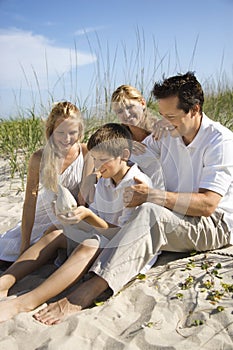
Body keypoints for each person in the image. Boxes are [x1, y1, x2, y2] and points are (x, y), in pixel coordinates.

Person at [33, 71, 233, 325]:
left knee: (150, 211)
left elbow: (208, 204)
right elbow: (124, 155)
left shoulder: (220, 140)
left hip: (214, 224)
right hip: (176, 217)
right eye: (161, 115)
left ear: (194, 109)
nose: (165, 122)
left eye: (171, 116)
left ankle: (90, 289)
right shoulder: (168, 132)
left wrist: (153, 195)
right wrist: (94, 172)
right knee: (132, 212)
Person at [0, 123, 154, 323]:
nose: (97, 166)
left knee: (90, 244)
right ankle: (5, 281)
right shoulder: (105, 180)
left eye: (103, 160)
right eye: (95, 159)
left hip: (119, 247)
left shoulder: (137, 184)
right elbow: (97, 217)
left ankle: (25, 302)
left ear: (124, 155)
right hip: (101, 235)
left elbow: (124, 235)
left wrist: (87, 216)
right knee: (55, 232)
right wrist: (73, 220)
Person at [0, 101, 94, 264]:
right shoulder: (39, 158)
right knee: (11, 252)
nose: (66, 139)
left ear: (80, 131)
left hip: (71, 214)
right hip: (43, 215)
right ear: (51, 132)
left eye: (72, 132)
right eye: (60, 132)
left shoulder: (86, 152)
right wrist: (24, 245)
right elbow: (30, 202)